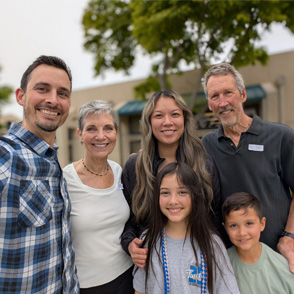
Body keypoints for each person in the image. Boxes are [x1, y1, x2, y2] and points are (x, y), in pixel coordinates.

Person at [201, 62, 294, 273]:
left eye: (228, 93)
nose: (223, 102)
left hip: (277, 258)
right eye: (215, 96)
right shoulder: (206, 145)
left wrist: (289, 237)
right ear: (209, 103)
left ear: (242, 94)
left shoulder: (280, 136)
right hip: (230, 263)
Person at [0, 55, 79, 293]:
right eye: (42, 89)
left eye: (62, 93)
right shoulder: (6, 156)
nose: (53, 100)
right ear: (21, 96)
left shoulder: (53, 164)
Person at [121, 89, 221, 269]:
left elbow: (214, 219)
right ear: (149, 122)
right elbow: (128, 220)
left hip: (197, 264)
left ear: (184, 119)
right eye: (159, 115)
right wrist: (129, 243)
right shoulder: (134, 166)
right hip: (152, 266)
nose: (167, 122)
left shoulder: (204, 164)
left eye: (175, 114)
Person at [133, 162, 239, 294]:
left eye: (182, 192)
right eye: (165, 193)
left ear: (195, 196)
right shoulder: (148, 240)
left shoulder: (212, 244)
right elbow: (140, 291)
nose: (173, 201)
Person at [63, 100, 133, 294]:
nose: (101, 136)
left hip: (128, 276)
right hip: (86, 285)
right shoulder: (65, 179)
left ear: (116, 133)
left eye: (108, 128)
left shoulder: (120, 171)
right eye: (91, 129)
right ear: (80, 134)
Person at [222, 192, 294, 293]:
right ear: (225, 228)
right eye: (234, 225)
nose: (242, 233)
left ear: (262, 224)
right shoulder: (220, 265)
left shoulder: (283, 268)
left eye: (249, 223)